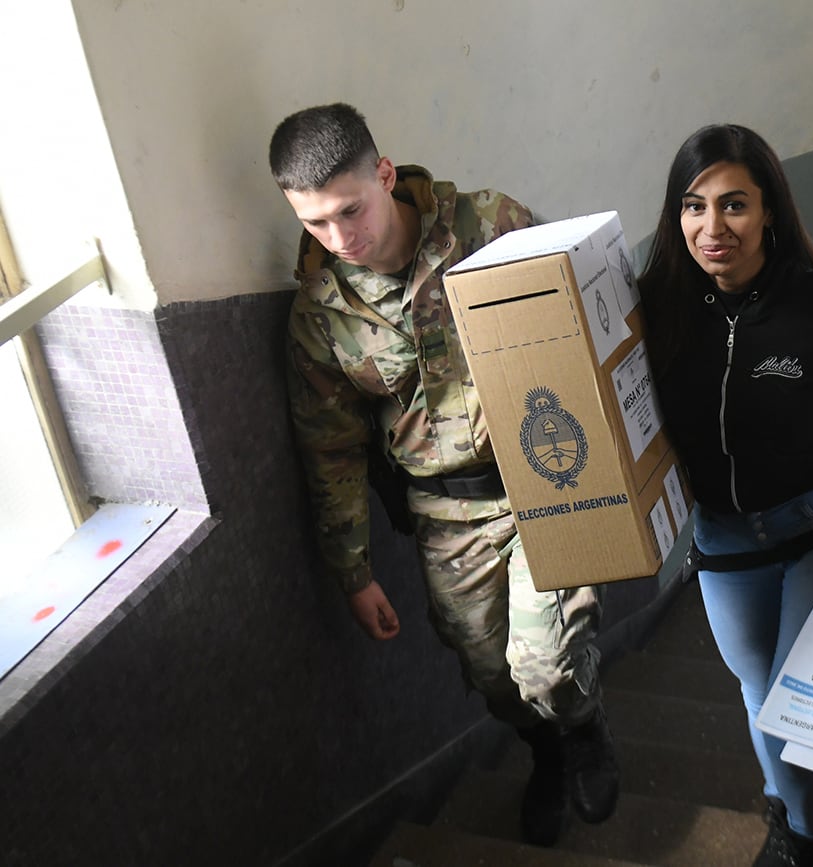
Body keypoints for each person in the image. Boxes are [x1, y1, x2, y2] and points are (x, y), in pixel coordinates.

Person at [268, 103, 618, 847]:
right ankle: (547, 753)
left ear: (385, 174)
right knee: (493, 675)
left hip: (542, 480)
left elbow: (582, 317)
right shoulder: (321, 311)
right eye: (316, 224)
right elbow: (329, 448)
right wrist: (353, 570)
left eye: (349, 211)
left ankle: (583, 728)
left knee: (548, 663)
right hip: (445, 511)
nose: (339, 238)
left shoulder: (490, 225)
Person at [638, 123, 813, 867]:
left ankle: (811, 842)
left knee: (803, 706)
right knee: (761, 692)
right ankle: (785, 803)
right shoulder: (659, 306)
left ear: (768, 212)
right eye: (693, 207)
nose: (711, 227)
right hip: (724, 538)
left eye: (733, 205)